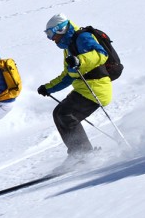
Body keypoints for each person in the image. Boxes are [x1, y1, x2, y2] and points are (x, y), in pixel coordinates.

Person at [36, 13, 112, 157]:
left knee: (66, 115)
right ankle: (80, 152)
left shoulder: (82, 37)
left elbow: (101, 54)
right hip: (84, 89)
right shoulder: (68, 47)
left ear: (61, 29)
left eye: (51, 33)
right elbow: (68, 75)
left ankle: (83, 153)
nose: (51, 39)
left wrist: (79, 60)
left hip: (96, 88)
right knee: (59, 113)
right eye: (48, 35)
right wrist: (49, 87)